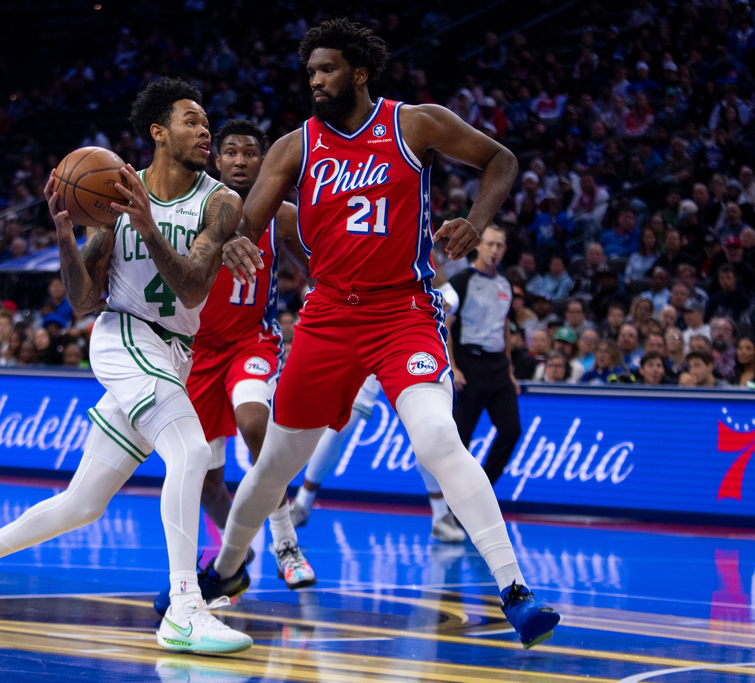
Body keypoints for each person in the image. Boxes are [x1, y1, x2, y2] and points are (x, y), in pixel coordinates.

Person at [215, 19, 559, 649]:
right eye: (310, 71)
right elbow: (248, 216)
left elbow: (500, 161)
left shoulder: (414, 123)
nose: (315, 80)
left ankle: (515, 590)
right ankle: (227, 568)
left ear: (360, 71)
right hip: (325, 318)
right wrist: (230, 237)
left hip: (403, 313)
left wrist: (475, 220)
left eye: (326, 69)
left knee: (437, 437)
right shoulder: (294, 147)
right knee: (274, 465)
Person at [0, 78, 252, 654]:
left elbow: (192, 290)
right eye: (191, 121)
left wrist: (145, 227)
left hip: (173, 353)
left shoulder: (219, 202)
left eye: (206, 122)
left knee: (82, 505)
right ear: (158, 132)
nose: (205, 131)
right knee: (188, 451)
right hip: (124, 337)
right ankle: (185, 607)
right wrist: (67, 235)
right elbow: (84, 300)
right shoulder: (115, 192)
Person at [182, 119, 317, 594]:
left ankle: (286, 544)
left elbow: (317, 265)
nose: (240, 161)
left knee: (255, 424)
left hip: (251, 341)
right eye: (231, 153)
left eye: (250, 153)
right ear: (216, 160)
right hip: (197, 351)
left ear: (264, 162)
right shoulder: (193, 208)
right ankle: (239, 550)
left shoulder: (279, 213)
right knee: (205, 477)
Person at [290, 375, 469, 544]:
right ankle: (301, 505)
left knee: (426, 429)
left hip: (406, 352)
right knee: (337, 428)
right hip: (364, 349)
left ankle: (441, 517)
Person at [447, 225, 522, 486]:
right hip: (469, 363)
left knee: (511, 430)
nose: (494, 250)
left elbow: (504, 327)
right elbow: (445, 325)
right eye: (490, 244)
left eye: (499, 246)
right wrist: (453, 367)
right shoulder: (462, 281)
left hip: (498, 366)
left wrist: (510, 371)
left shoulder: (505, 285)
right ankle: (454, 501)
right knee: (461, 437)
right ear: (478, 245)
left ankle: (483, 488)